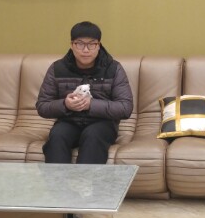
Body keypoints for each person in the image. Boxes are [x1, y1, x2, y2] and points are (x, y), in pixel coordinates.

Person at [36, 21, 133, 164]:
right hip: (69, 121)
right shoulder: (57, 68)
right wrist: (65, 104)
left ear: (98, 45)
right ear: (72, 45)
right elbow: (42, 106)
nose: (86, 50)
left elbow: (125, 108)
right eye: (80, 44)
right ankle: (57, 180)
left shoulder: (113, 68)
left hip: (102, 123)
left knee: (93, 136)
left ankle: (85, 179)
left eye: (92, 44)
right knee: (57, 136)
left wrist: (91, 105)